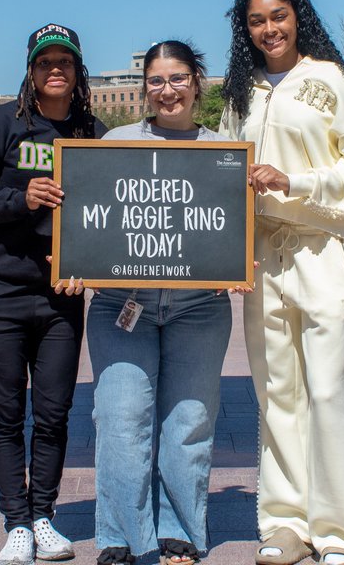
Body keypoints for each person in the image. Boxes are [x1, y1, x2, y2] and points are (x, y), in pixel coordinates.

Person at [219, 0, 344, 565]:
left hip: (323, 249)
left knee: (327, 391)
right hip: (262, 258)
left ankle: (343, 532)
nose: (270, 29)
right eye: (257, 21)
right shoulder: (242, 94)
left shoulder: (334, 81)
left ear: (298, 17)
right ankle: (287, 521)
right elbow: (219, 170)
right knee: (277, 393)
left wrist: (295, 181)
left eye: (279, 16)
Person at [0, 23, 106, 565]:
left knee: (54, 413)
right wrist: (23, 200)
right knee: (6, 414)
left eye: (65, 60)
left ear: (77, 68)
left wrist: (93, 265)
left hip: (62, 296)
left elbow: (108, 212)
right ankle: (15, 523)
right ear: (31, 70)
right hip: (0, 291)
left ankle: (43, 516)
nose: (55, 69)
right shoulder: (1, 124)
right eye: (45, 62)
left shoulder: (93, 131)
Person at [87, 41, 233, 565]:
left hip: (200, 306)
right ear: (144, 85)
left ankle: (180, 531)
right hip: (122, 305)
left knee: (188, 422)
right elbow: (94, 219)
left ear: (197, 82)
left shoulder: (224, 150)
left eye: (177, 79)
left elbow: (231, 229)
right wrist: (73, 261)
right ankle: (121, 535)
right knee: (121, 416)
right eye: (155, 80)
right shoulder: (115, 142)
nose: (166, 90)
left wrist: (241, 265)